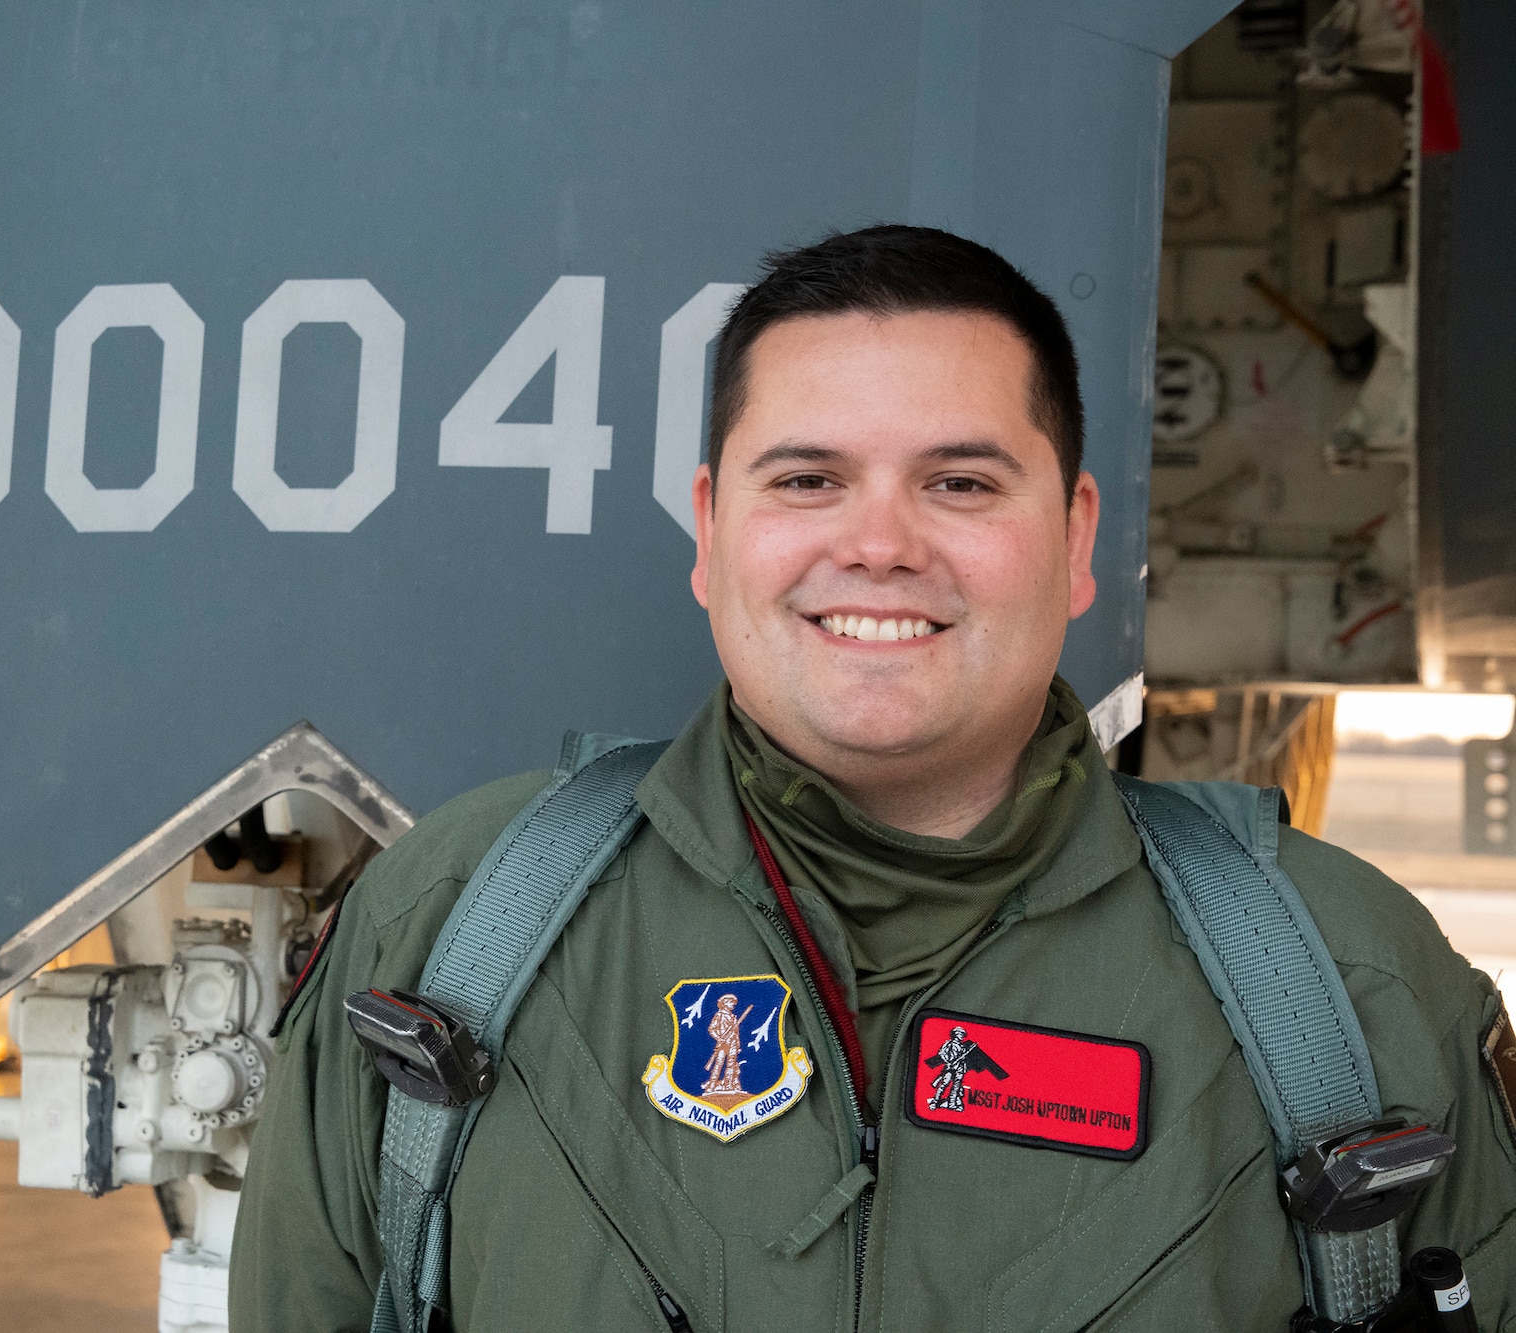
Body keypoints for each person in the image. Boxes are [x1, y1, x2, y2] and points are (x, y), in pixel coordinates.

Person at [230, 226, 1516, 1331]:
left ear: (1074, 541)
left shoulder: (1347, 993)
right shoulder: (448, 934)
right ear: (711, 527)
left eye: (958, 482)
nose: (879, 545)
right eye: (806, 479)